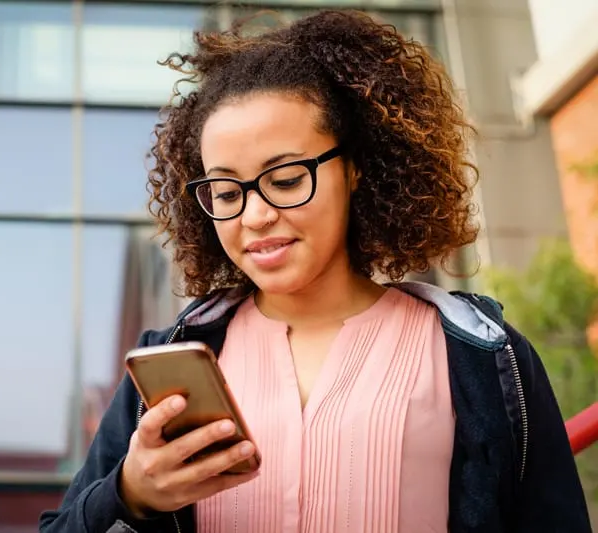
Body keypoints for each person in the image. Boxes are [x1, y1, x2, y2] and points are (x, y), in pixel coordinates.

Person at [39, 9, 592, 533]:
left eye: (284, 180)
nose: (254, 216)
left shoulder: (481, 356)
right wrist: (130, 494)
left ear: (354, 170)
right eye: (227, 191)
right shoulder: (170, 362)